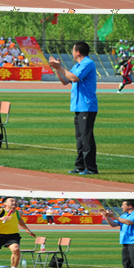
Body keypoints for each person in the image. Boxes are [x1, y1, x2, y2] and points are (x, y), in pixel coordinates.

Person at [49, 41, 99, 175]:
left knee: (86, 137)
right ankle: (80, 165)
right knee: (80, 138)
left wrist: (60, 67)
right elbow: (65, 81)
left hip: (86, 106)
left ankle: (91, 167)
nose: (72, 52)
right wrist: (57, 68)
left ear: (78, 52)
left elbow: (75, 78)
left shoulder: (87, 63)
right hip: (78, 106)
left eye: (73, 50)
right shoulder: (77, 65)